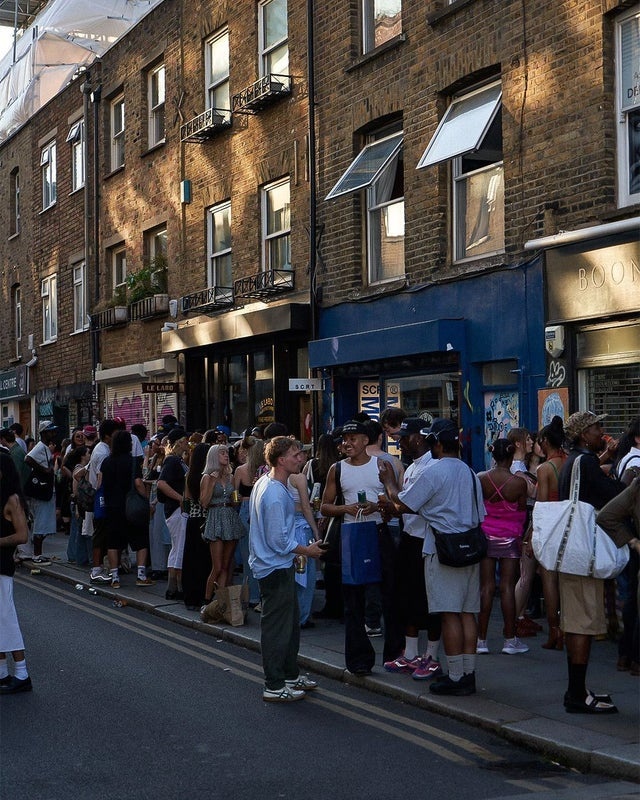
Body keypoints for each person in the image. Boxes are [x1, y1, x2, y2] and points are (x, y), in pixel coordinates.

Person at [379, 418, 484, 696]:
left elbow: (401, 504)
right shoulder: (471, 473)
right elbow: (479, 515)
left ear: (436, 443)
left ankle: (457, 675)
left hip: (442, 549)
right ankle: (469, 673)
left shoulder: (434, 472)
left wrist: (389, 481)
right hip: (471, 549)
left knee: (449, 614)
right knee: (468, 614)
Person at [321, 419, 404, 675]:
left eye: (353, 438)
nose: (347, 444)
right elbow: (324, 506)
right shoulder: (336, 469)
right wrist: (346, 508)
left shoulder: (382, 465)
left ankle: (394, 654)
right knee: (353, 600)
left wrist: (378, 507)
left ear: (366, 441)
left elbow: (398, 501)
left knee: (390, 595)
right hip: (352, 535)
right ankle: (358, 660)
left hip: (379, 533)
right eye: (344, 440)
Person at [558, 411, 624, 714]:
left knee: (576, 624)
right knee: (583, 624)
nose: (602, 431)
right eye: (597, 427)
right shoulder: (585, 462)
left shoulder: (573, 461)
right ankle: (577, 695)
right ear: (584, 434)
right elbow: (612, 496)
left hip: (572, 554)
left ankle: (577, 690)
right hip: (583, 555)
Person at [248, 436, 323, 702]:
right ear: (281, 460)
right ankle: (274, 684)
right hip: (274, 568)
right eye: (295, 455)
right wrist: (308, 551)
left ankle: (290, 675)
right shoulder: (276, 493)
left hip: (276, 565)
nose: (301, 458)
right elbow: (278, 541)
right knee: (277, 629)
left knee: (290, 626)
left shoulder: (268, 483)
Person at [380, 418, 443, 681]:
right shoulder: (413, 467)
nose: (400, 441)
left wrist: (389, 483)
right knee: (406, 598)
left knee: (428, 601)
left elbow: (407, 503)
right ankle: (411, 652)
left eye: (404, 437)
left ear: (419, 438)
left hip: (426, 541)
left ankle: (431, 656)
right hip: (409, 537)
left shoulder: (432, 467)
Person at [476, 439, 529, 655]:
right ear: (510, 456)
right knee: (507, 586)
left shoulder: (480, 478)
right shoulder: (519, 483)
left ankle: (481, 640)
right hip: (510, 538)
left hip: (486, 536)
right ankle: (509, 639)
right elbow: (522, 508)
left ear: (493, 455)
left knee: (486, 587)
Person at [99, 430, 154, 589]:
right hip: (131, 508)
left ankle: (115, 577)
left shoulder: (106, 462)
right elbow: (138, 483)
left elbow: (100, 483)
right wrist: (146, 500)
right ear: (128, 444)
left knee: (113, 543)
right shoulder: (132, 461)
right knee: (140, 540)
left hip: (112, 508)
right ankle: (141, 576)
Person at [597, 476, 640, 677]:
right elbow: (606, 516)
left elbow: (607, 515)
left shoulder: (636, 486)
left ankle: (627, 656)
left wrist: (633, 542)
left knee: (632, 600)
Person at [533, 416, 567, 650]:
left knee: (549, 579)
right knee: (566, 579)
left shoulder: (544, 469)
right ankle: (567, 627)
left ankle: (555, 631)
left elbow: (541, 505)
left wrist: (531, 535)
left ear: (545, 442)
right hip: (570, 525)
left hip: (551, 526)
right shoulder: (571, 461)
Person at [0, 453, 32, 694]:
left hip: (2, 567)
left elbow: (22, 536)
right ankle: (1, 673)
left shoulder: (13, 499)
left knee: (6, 619)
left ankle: (21, 673)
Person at [200, 444, 245, 604]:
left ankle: (220, 602)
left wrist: (237, 500)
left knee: (226, 566)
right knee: (217, 566)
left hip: (230, 517)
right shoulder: (207, 477)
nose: (226, 455)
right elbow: (204, 502)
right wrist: (212, 482)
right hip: (216, 517)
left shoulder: (230, 476)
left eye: (227, 453)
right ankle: (206, 600)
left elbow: (233, 502)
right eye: (222, 453)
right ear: (214, 456)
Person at [305, 433, 343, 621]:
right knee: (330, 549)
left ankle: (319, 576)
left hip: (317, 508)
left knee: (318, 544)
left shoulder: (313, 464)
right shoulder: (339, 463)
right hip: (334, 512)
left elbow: (306, 485)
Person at [288, 442, 320, 628]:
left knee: (293, 574)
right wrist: (316, 531)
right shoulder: (299, 477)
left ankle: (294, 615)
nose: (302, 457)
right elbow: (306, 508)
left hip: (289, 527)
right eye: (299, 454)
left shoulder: (275, 475)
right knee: (305, 576)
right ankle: (301, 617)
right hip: (301, 527)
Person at [157, 428, 190, 599]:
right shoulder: (172, 461)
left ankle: (173, 587)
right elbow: (161, 483)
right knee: (180, 547)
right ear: (178, 441)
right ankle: (177, 586)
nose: (187, 443)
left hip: (176, 509)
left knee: (177, 547)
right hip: (177, 510)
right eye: (185, 440)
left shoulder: (177, 460)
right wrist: (180, 499)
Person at [233, 435, 265, 609]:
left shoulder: (240, 470)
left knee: (247, 556)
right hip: (261, 511)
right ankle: (262, 595)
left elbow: (234, 497)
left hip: (245, 508)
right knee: (263, 554)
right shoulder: (267, 470)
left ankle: (251, 596)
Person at [85, 419, 118, 583]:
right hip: (101, 497)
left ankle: (100, 567)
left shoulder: (101, 448)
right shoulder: (103, 452)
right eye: (115, 433)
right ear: (107, 436)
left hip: (100, 497)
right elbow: (100, 477)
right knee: (100, 533)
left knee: (102, 533)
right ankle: (96, 569)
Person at [181, 443, 212, 610]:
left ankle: (190, 596)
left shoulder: (189, 475)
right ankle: (202, 595)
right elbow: (205, 501)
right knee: (205, 560)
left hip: (192, 520)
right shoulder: (207, 477)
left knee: (190, 559)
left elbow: (185, 500)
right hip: (205, 520)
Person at [24, 421, 59, 565]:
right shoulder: (39, 447)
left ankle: (39, 553)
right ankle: (36, 555)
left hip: (47, 491)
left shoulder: (45, 448)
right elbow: (28, 458)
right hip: (41, 493)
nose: (53, 433)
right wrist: (44, 470)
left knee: (45, 524)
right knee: (41, 524)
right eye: (50, 431)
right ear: (44, 433)